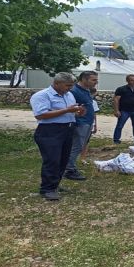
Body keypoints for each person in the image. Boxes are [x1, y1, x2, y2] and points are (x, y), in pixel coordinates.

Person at [30, 72, 85, 201]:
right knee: (52, 160)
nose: (70, 88)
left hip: (67, 129)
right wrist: (67, 110)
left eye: (71, 85)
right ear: (56, 83)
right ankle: (47, 189)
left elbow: (67, 113)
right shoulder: (42, 96)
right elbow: (40, 115)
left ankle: (54, 184)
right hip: (50, 131)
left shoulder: (69, 95)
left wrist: (77, 113)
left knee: (62, 160)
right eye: (67, 85)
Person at [63, 71, 99, 181]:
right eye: (93, 80)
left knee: (81, 145)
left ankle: (69, 166)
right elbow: (69, 107)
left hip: (87, 121)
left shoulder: (86, 90)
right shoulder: (74, 91)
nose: (96, 82)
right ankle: (69, 169)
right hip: (80, 123)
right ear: (84, 79)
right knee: (76, 146)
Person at [113, 74, 134, 145]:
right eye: (132, 80)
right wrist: (116, 110)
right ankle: (116, 140)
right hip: (124, 110)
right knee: (120, 126)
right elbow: (116, 100)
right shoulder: (121, 89)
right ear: (127, 81)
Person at [80, 88, 101, 164]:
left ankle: (83, 158)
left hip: (90, 124)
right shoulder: (80, 101)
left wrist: (95, 125)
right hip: (81, 124)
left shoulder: (93, 102)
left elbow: (94, 114)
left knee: (86, 141)